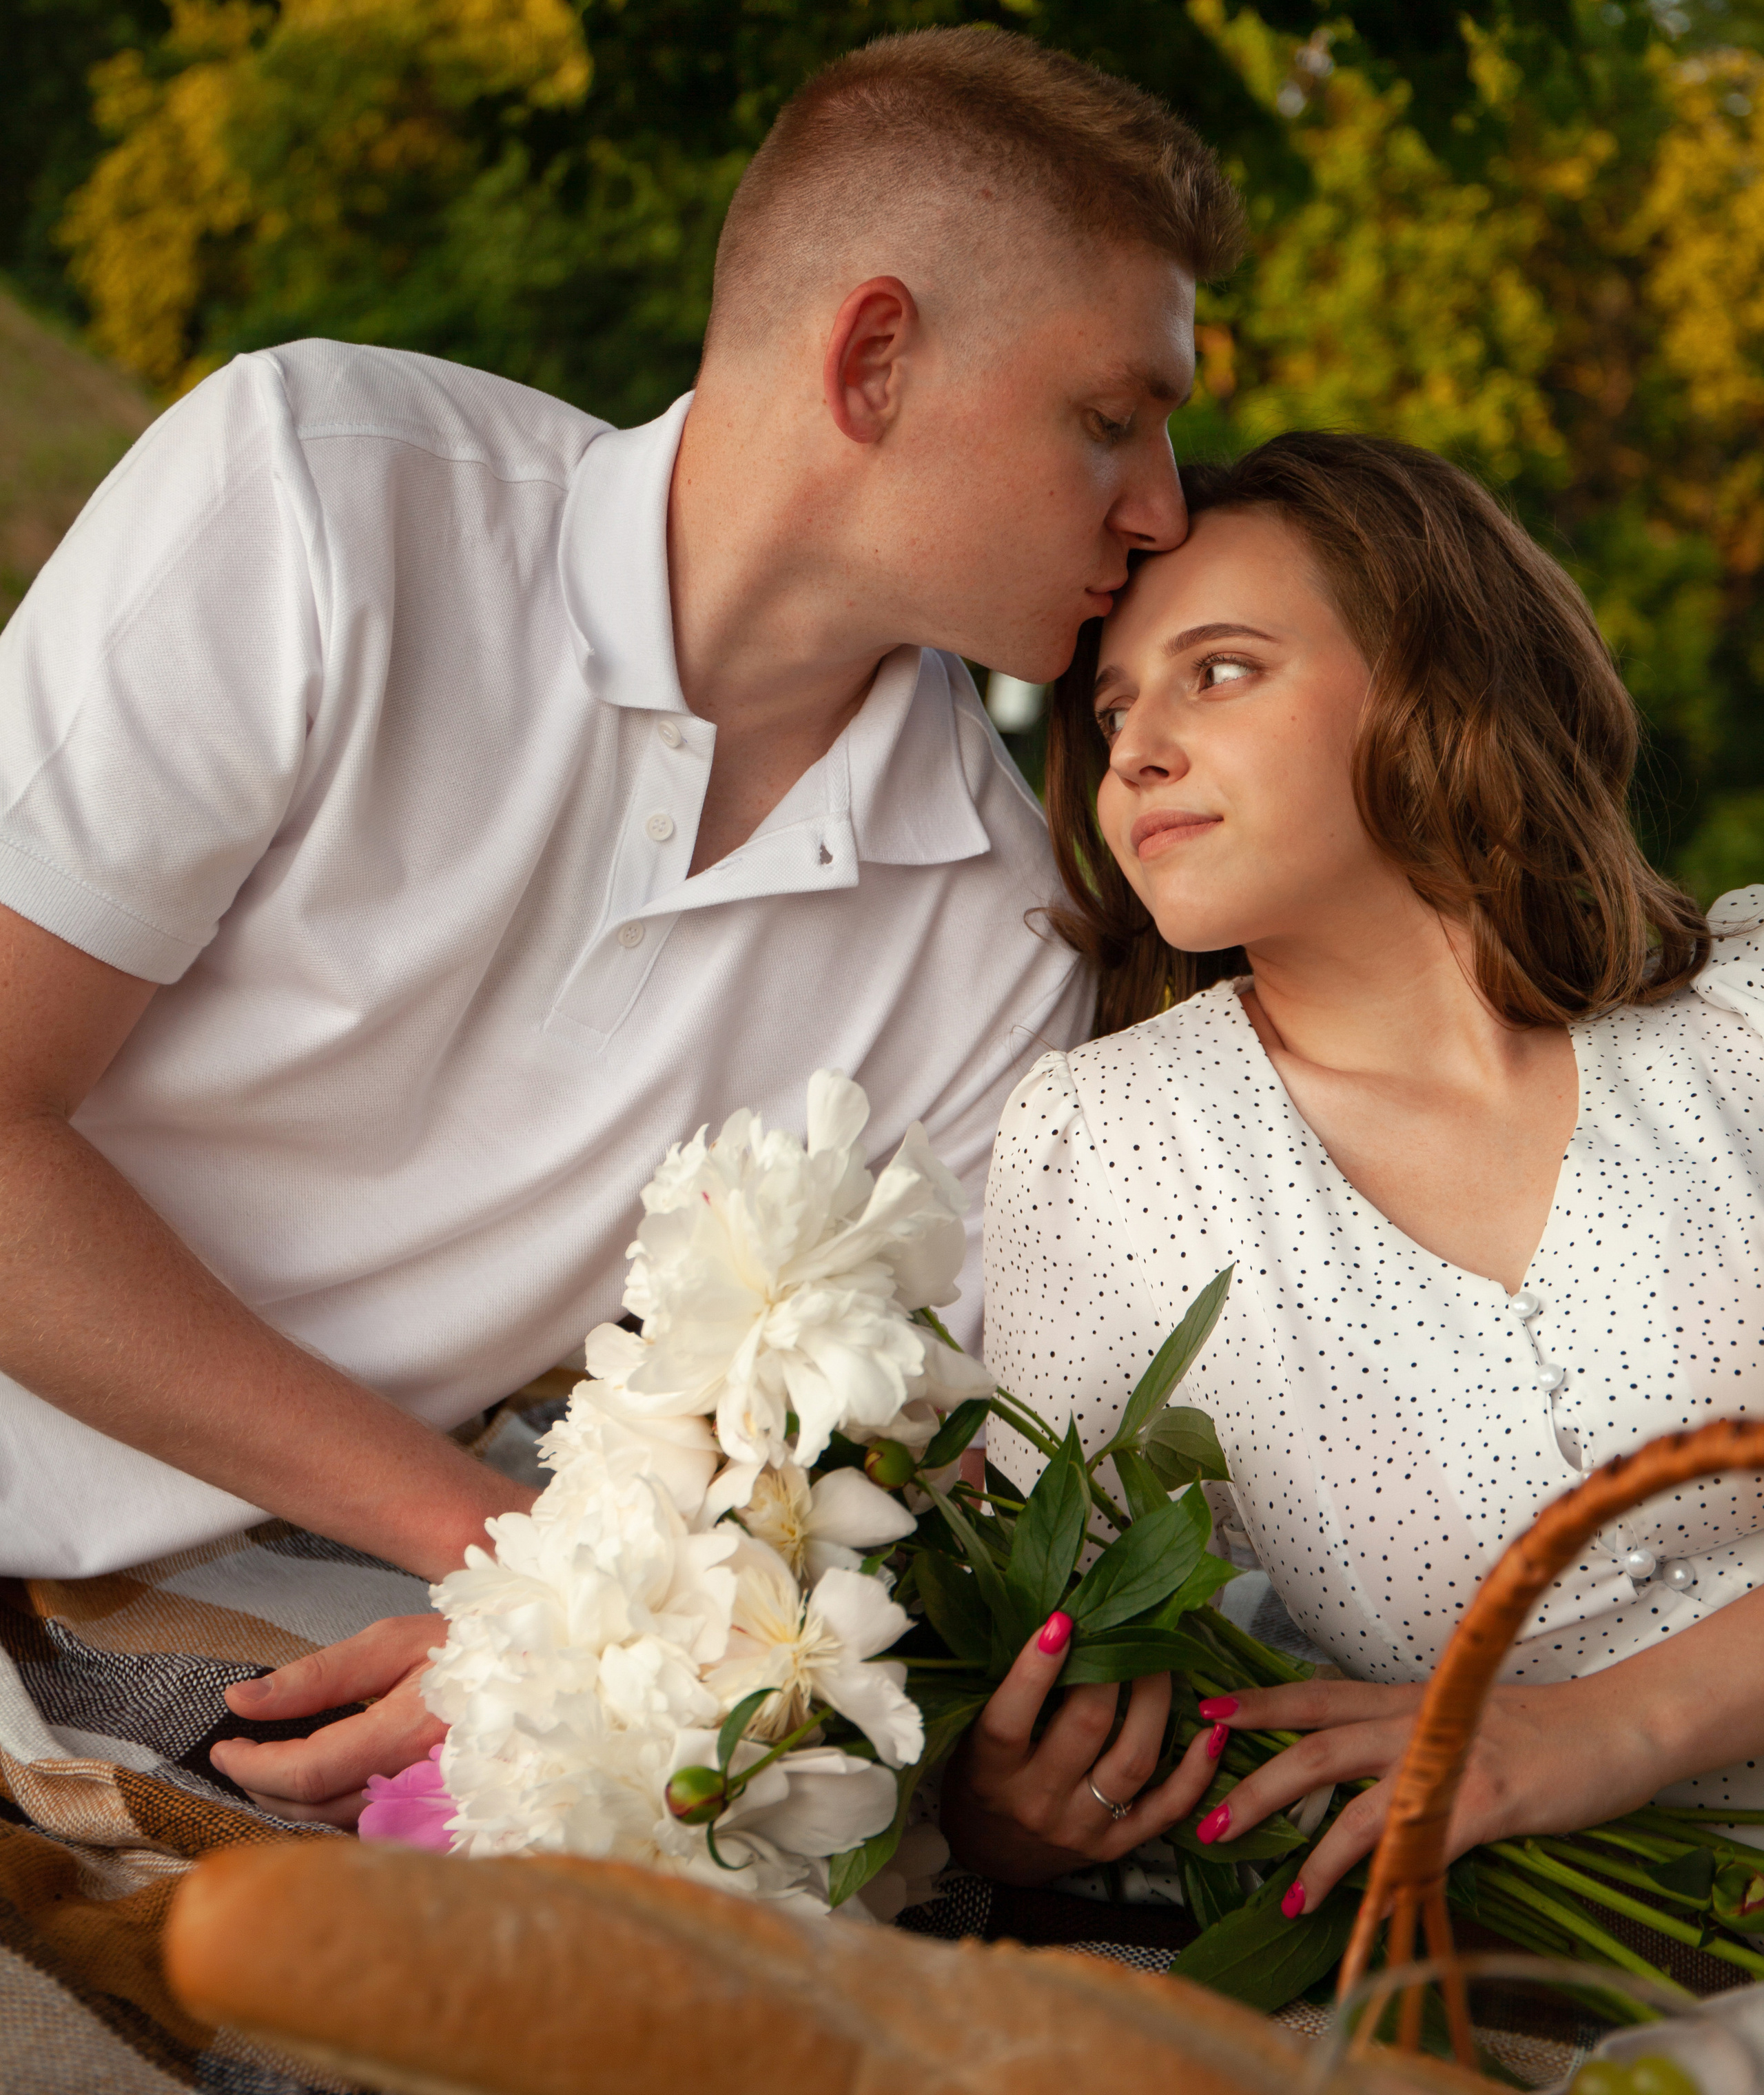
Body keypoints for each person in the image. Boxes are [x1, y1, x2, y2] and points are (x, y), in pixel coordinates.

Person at [0, 27, 1242, 1823]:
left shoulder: (998, 936)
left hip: (262, 1607)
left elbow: (889, 1496)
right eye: (1110, 418)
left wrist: (597, 1620)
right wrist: (523, 1563)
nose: (1163, 506)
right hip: (351, 1536)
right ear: (875, 357)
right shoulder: (321, 499)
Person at [947, 429, 1764, 1915]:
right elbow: (1058, 1671)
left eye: (1220, 668)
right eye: (1113, 702)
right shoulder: (1112, 1150)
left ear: (1438, 680)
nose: (1133, 746)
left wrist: (1593, 1728)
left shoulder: (1745, 1022)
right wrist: (1011, 1804)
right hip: (1540, 1993)